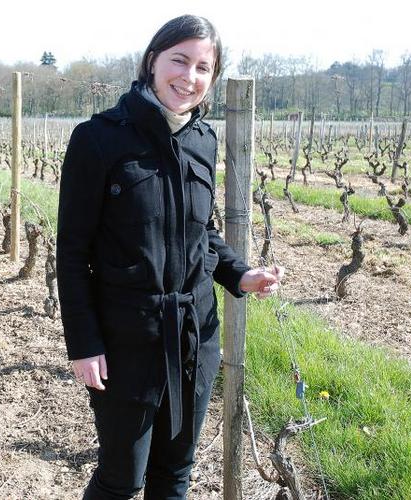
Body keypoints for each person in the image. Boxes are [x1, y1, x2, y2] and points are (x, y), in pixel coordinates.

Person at [56, 15, 285, 499]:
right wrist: (83, 342)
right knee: (121, 479)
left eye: (204, 67)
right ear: (152, 61)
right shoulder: (98, 139)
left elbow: (203, 233)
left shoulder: (203, 140)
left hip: (193, 338)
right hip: (125, 340)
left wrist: (241, 275)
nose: (190, 76)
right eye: (179, 60)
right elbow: (72, 252)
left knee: (175, 475)